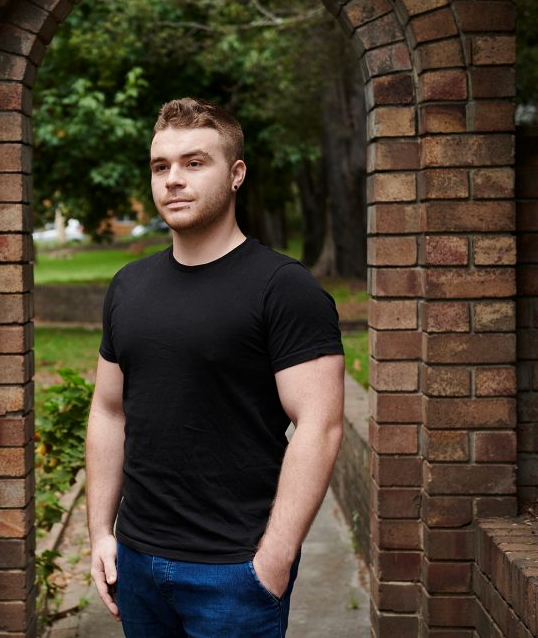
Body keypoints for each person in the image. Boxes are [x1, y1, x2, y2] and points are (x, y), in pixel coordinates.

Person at [86, 97, 345, 638]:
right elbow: (109, 411)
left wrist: (273, 559)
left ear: (236, 173)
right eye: (162, 167)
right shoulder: (129, 286)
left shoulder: (285, 288)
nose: (173, 180)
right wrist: (100, 535)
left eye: (194, 163)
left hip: (235, 571)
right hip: (136, 562)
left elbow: (319, 426)